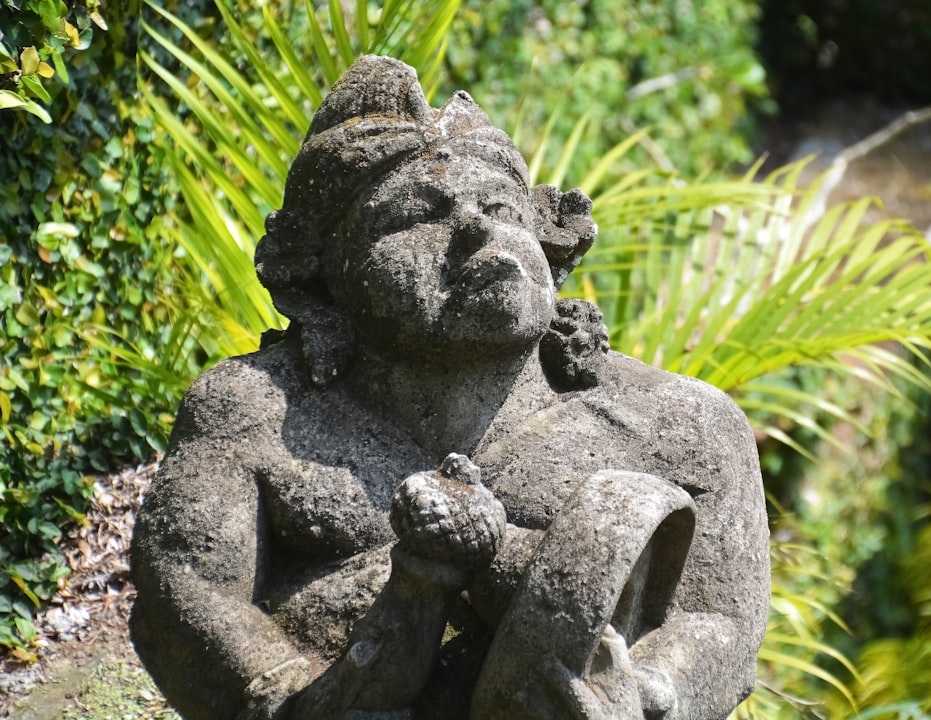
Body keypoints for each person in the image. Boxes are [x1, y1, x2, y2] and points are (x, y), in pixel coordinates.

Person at [130, 55, 769, 720]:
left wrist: (646, 693)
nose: (476, 228)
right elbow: (184, 596)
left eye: (500, 206)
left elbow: (718, 620)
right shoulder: (253, 411)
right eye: (415, 215)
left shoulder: (682, 424)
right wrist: (292, 692)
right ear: (321, 278)